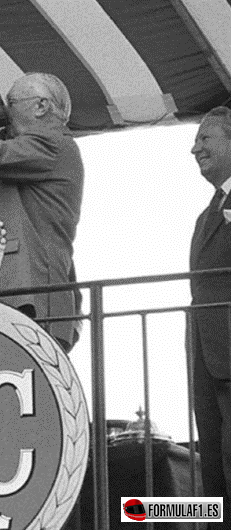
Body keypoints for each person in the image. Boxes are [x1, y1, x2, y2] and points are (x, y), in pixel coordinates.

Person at [0, 69, 84, 353]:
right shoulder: (26, 153)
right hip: (6, 291)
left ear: (41, 106)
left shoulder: (54, 144)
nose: (4, 111)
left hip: (29, 294)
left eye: (10, 102)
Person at [189, 105, 231, 526]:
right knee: (214, 464)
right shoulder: (208, 211)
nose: (194, 148)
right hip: (207, 357)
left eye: (206, 139)